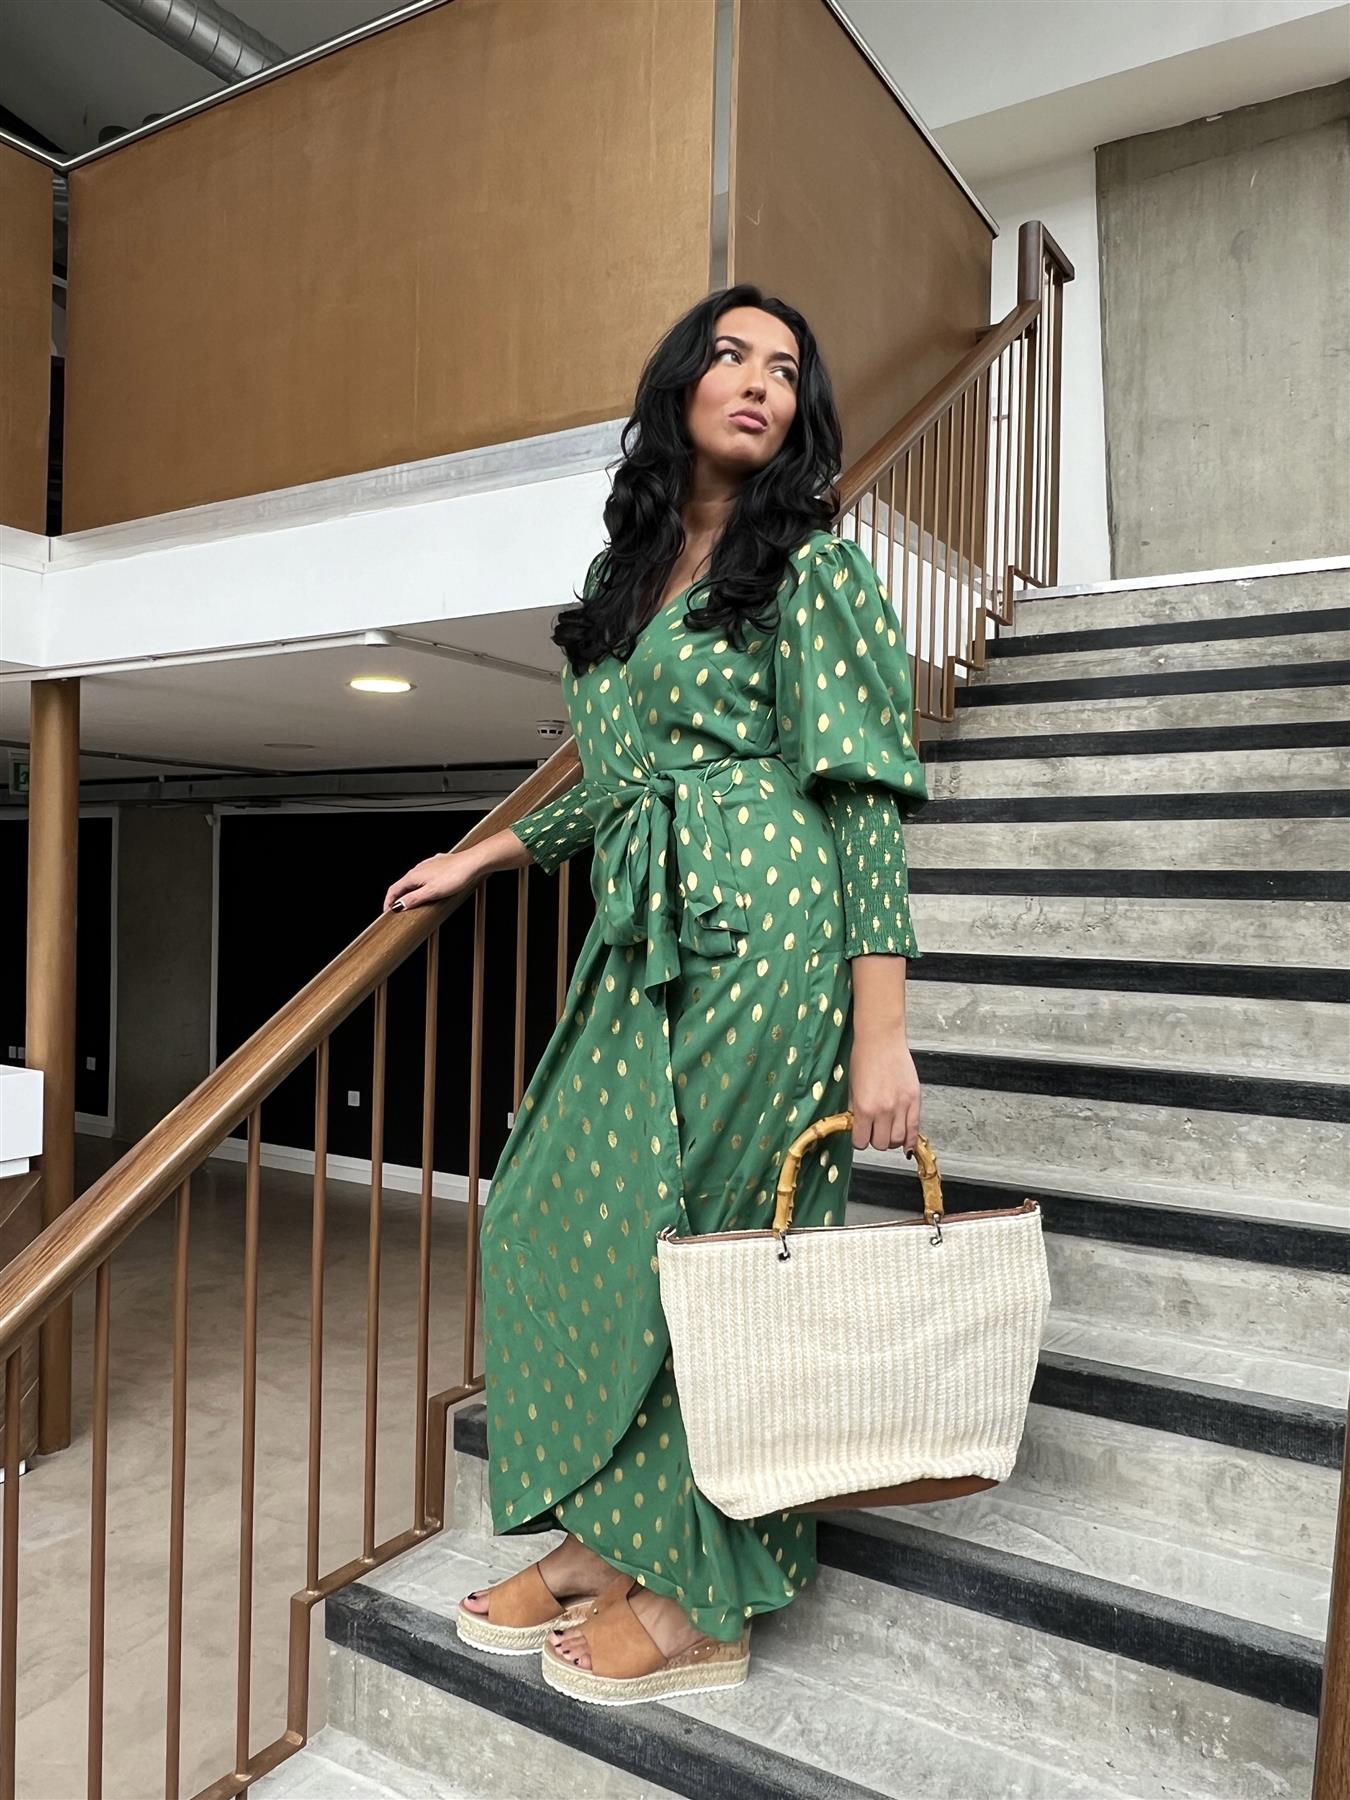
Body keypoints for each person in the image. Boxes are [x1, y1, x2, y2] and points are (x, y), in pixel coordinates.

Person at [382, 283, 929, 1706]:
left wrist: (881, 1031)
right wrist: (486, 853)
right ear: (680, 383)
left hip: (772, 932)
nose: (758, 382)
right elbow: (618, 787)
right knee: (552, 1210)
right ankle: (611, 1535)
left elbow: (862, 801)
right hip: (644, 936)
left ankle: (705, 1596)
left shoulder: (809, 567)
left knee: (724, 1247)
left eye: (785, 369)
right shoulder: (628, 576)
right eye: (730, 356)